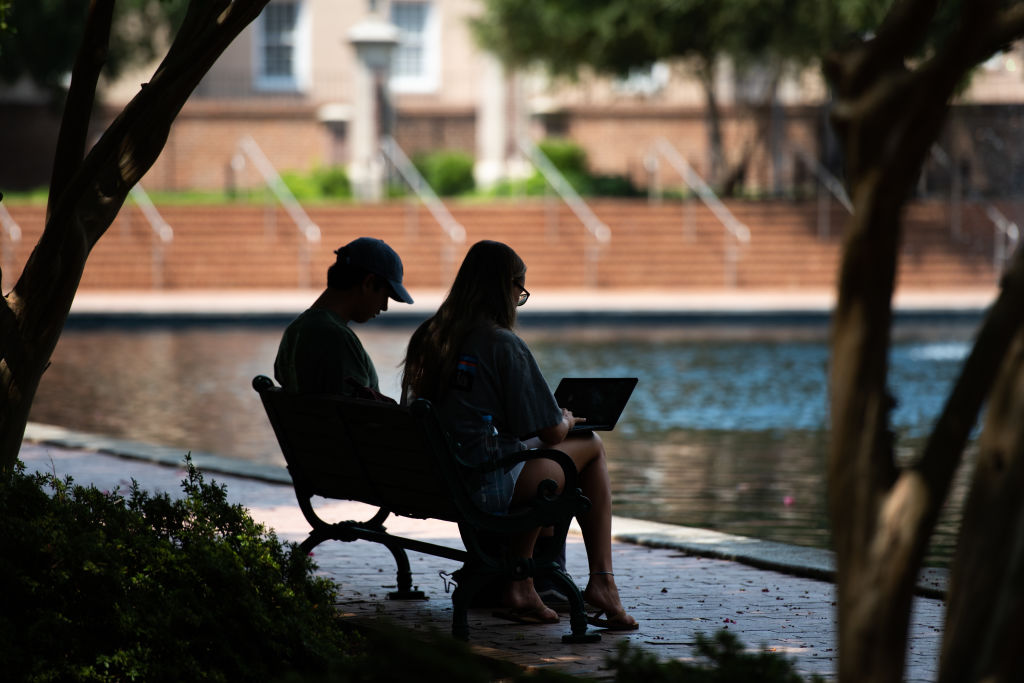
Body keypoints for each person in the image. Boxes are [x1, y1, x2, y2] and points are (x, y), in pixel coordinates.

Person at [401, 240, 638, 630]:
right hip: (480, 483)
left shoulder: (430, 335)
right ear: (505, 287)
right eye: (520, 289)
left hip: (437, 476)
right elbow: (547, 430)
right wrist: (566, 420)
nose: (519, 299)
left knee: (543, 455)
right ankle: (598, 584)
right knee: (589, 446)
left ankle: (527, 581)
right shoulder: (502, 343)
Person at [275, 237, 413, 397]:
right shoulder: (337, 339)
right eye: (385, 296)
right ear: (368, 283)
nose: (384, 307)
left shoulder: (294, 331)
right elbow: (355, 417)